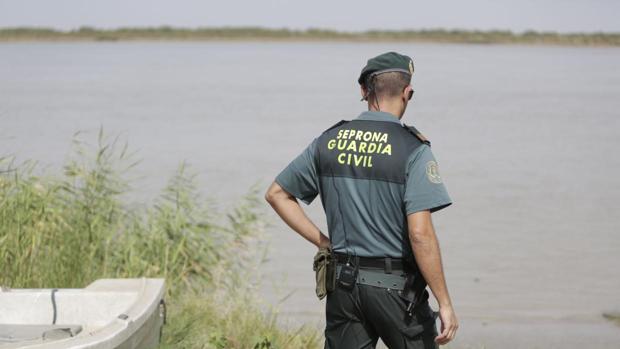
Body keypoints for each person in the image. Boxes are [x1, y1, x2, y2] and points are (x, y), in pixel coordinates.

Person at [265, 51, 458, 348]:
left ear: (363, 90)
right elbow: (420, 234)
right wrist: (444, 302)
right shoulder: (414, 150)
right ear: (408, 93)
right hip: (398, 291)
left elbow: (277, 194)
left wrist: (323, 242)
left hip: (343, 287)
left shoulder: (328, 141)